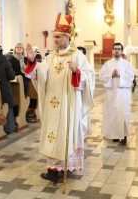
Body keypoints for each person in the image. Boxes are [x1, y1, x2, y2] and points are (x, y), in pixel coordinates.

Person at [24, 13, 95, 183]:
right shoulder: (50, 57)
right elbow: (39, 76)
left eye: (58, 37)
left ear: (67, 38)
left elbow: (89, 77)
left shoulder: (77, 56)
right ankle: (53, 169)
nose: (55, 39)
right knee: (52, 134)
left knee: (65, 132)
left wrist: (77, 71)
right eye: (54, 36)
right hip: (51, 105)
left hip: (68, 105)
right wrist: (32, 61)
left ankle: (65, 167)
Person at [99, 42, 134, 145]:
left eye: (119, 49)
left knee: (123, 114)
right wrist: (111, 74)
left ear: (122, 51)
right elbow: (101, 76)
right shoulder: (108, 64)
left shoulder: (127, 64)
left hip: (123, 93)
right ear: (112, 51)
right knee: (112, 115)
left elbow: (131, 77)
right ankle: (114, 135)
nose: (117, 50)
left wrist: (120, 75)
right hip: (111, 93)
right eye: (115, 49)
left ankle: (123, 136)